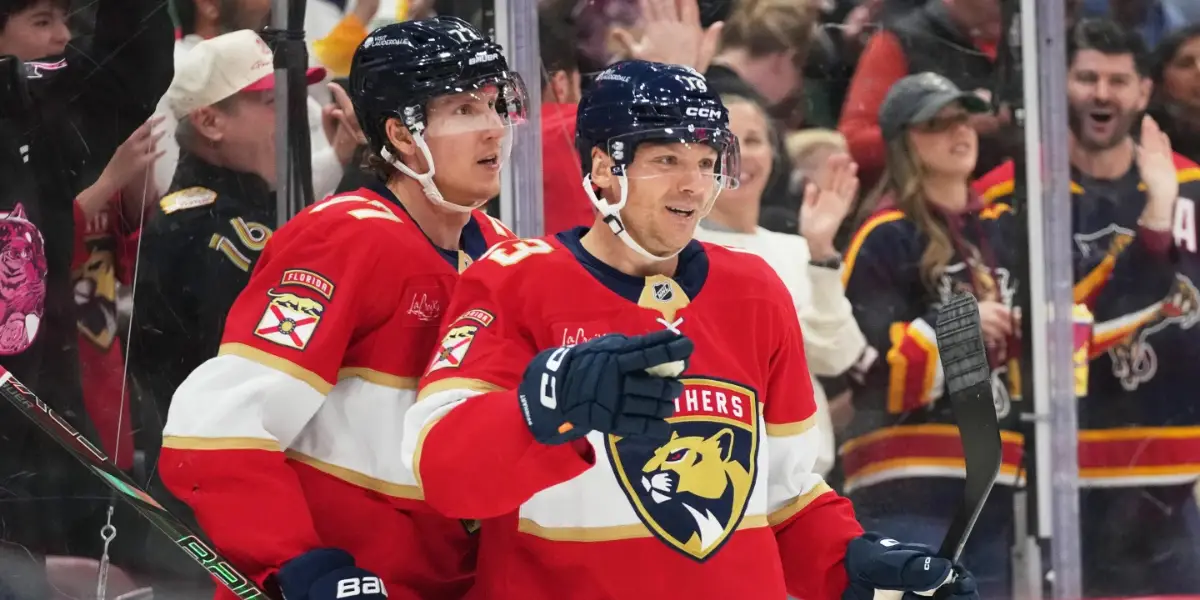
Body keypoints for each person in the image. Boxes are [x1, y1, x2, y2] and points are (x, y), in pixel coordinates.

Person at [402, 59, 978, 600]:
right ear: (604, 167)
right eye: (667, 161)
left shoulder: (754, 290)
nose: (693, 186)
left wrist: (858, 566)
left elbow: (784, 497)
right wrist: (547, 403)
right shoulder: (512, 280)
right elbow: (443, 476)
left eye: (705, 163)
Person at [157, 16, 522, 600]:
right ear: (402, 135)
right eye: (463, 110)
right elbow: (218, 427)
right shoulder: (345, 240)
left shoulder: (505, 255)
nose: (495, 130)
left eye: (496, 106)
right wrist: (298, 564)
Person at [976, 18, 1199, 597]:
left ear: (1145, 92)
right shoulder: (1008, 196)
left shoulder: (1195, 192)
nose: (1102, 94)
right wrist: (1155, 220)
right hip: (1059, 480)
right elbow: (1058, 328)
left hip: (1176, 480)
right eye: (1087, 77)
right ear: (1057, 85)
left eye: (1119, 80)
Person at [840, 72, 1022, 598]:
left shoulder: (1005, 228)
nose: (958, 132)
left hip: (998, 480)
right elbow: (867, 369)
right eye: (936, 124)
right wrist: (959, 331)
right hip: (906, 483)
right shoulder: (885, 236)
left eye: (963, 119)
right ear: (904, 142)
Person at [131, 29, 328, 436]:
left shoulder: (243, 209)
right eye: (272, 103)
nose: (293, 117)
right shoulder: (211, 231)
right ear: (210, 121)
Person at [692, 91, 868, 477]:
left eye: (753, 140)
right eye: (721, 140)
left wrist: (821, 250)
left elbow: (838, 355)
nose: (739, 154)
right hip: (722, 480)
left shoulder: (797, 249)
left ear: (774, 154)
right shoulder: (682, 252)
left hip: (807, 484)